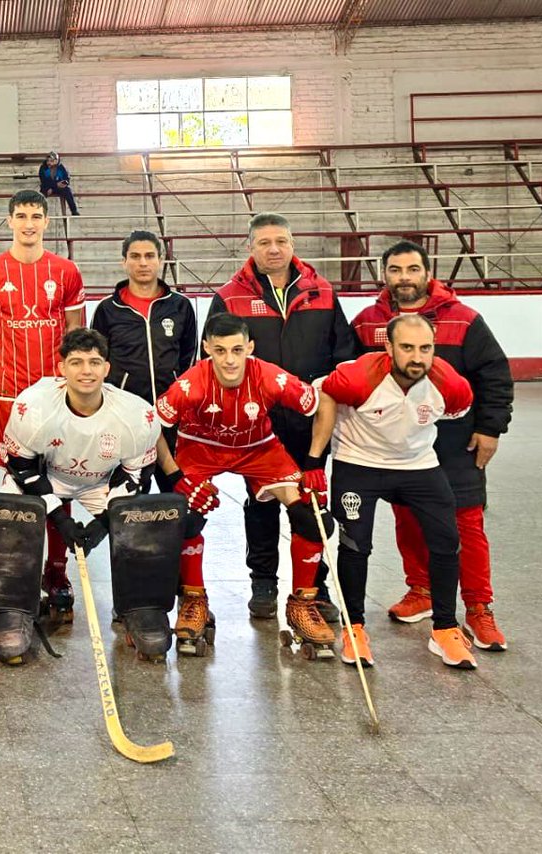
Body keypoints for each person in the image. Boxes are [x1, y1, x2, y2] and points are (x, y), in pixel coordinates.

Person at [351, 240, 514, 650]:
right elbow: (351, 378)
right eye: (395, 270)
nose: (404, 277)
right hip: (397, 446)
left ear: (427, 272)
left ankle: (478, 607)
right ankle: (421, 590)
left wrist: (491, 428)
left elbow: (495, 374)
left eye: (411, 269)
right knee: (408, 520)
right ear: (383, 275)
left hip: (454, 444)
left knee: (466, 525)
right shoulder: (368, 322)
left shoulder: (463, 319)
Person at [154, 313, 334, 659]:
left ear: (250, 347)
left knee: (314, 518)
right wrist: (177, 476)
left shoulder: (268, 375)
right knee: (186, 518)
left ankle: (302, 606)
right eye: (220, 351)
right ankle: (194, 600)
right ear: (207, 349)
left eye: (237, 350)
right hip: (201, 450)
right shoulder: (192, 384)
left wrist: (312, 461)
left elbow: (323, 400)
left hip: (259, 450)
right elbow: (153, 424)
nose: (230, 360)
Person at [207, 211, 356, 622]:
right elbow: (217, 356)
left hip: (312, 419)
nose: (273, 249)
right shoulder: (230, 296)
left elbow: (343, 353)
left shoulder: (321, 291)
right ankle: (263, 580)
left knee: (310, 500)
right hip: (258, 421)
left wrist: (333, 399)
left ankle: (314, 585)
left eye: (281, 241)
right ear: (250, 247)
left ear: (292, 244)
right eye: (264, 243)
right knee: (261, 502)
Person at [309, 314, 477, 669]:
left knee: (447, 541)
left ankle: (445, 629)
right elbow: (326, 394)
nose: (417, 357)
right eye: (407, 348)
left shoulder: (452, 386)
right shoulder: (358, 377)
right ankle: (354, 628)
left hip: (417, 465)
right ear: (388, 347)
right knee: (356, 545)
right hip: (359, 462)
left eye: (425, 348)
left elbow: (456, 414)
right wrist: (314, 460)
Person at [0, 328, 160, 663]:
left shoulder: (136, 414)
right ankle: (13, 608)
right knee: (10, 511)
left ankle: (139, 606)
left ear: (106, 369)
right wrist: (59, 518)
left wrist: (104, 523)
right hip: (48, 477)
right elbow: (23, 469)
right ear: (61, 369)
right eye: (76, 362)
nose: (86, 370)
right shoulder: (33, 406)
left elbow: (137, 477)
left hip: (100, 483)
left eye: (94, 362)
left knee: (140, 522)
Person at [0, 189, 86, 616]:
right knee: (13, 483)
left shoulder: (67, 271)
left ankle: (56, 570)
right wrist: (3, 366)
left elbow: (75, 331)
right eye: (21, 215)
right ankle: (14, 570)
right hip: (9, 394)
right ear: (10, 220)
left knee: (62, 479)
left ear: (47, 221)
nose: (29, 223)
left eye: (36, 215)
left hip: (58, 394)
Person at [91, 229, 197, 489]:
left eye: (150, 256)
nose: (143, 262)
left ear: (160, 260)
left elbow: (188, 359)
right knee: (128, 498)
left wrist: (176, 396)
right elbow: (97, 363)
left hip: (170, 416)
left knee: (175, 492)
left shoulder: (180, 306)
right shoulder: (107, 309)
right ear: (124, 261)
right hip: (125, 417)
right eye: (135, 256)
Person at [38, 151, 79, 216]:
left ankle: (74, 211)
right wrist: (54, 185)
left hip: (58, 188)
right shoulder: (43, 168)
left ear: (56, 161)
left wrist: (59, 185)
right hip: (47, 187)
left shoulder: (61, 167)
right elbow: (44, 181)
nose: (49, 163)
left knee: (67, 190)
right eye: (48, 161)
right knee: (39, 196)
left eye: (51, 161)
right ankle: (39, 213)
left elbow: (67, 179)